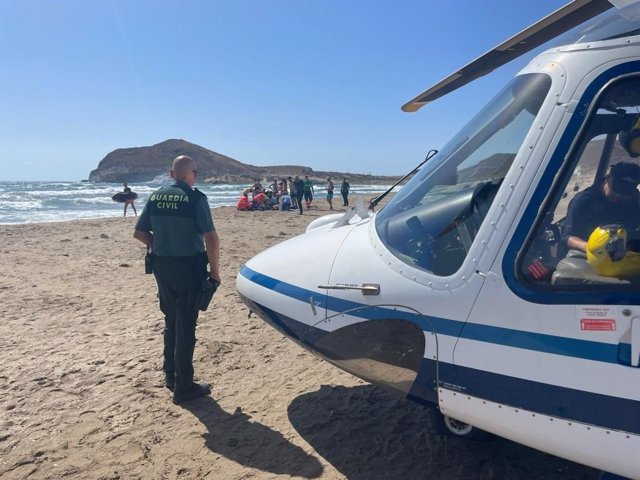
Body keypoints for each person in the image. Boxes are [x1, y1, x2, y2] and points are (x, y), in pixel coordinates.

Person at [133, 155, 221, 405]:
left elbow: (140, 233)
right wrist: (215, 272)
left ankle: (170, 375)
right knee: (186, 326)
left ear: (172, 174)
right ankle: (184, 387)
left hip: (163, 266)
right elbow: (211, 239)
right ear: (193, 174)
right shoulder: (196, 198)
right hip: (189, 267)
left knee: (171, 320)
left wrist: (159, 243)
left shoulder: (156, 196)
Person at [562, 162, 640, 253]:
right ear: (607, 179)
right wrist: (592, 248)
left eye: (623, 196)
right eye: (614, 194)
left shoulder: (631, 199)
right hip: (588, 253)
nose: (617, 198)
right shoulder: (584, 200)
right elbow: (567, 237)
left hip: (623, 251)